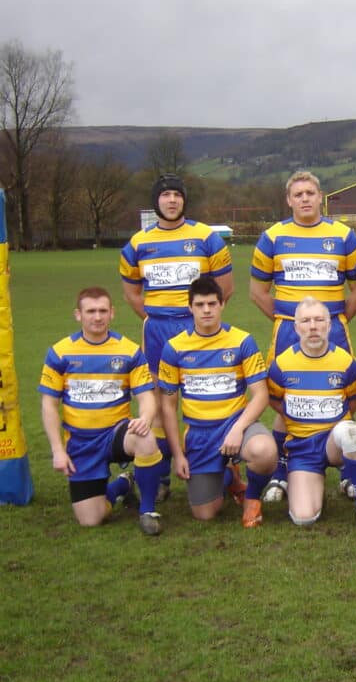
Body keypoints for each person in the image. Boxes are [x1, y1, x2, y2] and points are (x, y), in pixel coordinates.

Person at [250, 170, 356, 503]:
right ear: (289, 200)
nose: (304, 199)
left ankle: (346, 473)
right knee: (286, 399)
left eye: (310, 193)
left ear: (320, 196)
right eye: (298, 194)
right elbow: (257, 291)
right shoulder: (273, 237)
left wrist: (334, 321)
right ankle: (282, 471)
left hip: (333, 330)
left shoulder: (343, 235)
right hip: (287, 328)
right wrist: (292, 321)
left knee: (339, 397)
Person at [120, 173, 234, 501]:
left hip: (197, 327)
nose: (172, 200)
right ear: (156, 201)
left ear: (184, 200)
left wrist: (198, 320)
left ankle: (221, 464)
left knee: (204, 392)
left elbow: (225, 289)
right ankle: (159, 473)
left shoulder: (206, 237)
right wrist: (156, 317)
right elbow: (131, 293)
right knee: (157, 399)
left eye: (177, 195)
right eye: (165, 195)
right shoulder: (138, 243)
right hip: (158, 329)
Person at [39, 287, 164, 534]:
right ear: (78, 315)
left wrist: (146, 417)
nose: (97, 317)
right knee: (91, 520)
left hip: (116, 434)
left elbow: (147, 396)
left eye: (103, 311)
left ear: (112, 313)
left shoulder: (128, 351)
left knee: (145, 436)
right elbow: (49, 405)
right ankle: (123, 485)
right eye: (91, 311)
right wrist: (57, 450)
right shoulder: (60, 352)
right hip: (80, 443)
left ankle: (147, 510)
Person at [158, 277, 278, 527]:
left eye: (212, 303)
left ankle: (252, 498)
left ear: (222, 304)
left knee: (265, 452)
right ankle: (230, 478)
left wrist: (237, 428)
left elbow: (261, 395)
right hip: (200, 434)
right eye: (200, 304)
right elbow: (168, 407)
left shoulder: (242, 341)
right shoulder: (174, 348)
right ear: (189, 307)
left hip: (236, 425)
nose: (206, 310)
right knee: (205, 514)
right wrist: (178, 455)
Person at [266, 298, 356, 529]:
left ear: (329, 325)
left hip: (333, 443)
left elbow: (353, 402)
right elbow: (277, 402)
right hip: (301, 448)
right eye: (306, 321)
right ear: (296, 327)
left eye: (319, 320)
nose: (313, 326)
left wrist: (334, 426)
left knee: (349, 431)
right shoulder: (282, 364)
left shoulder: (347, 363)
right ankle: (312, 484)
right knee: (303, 518)